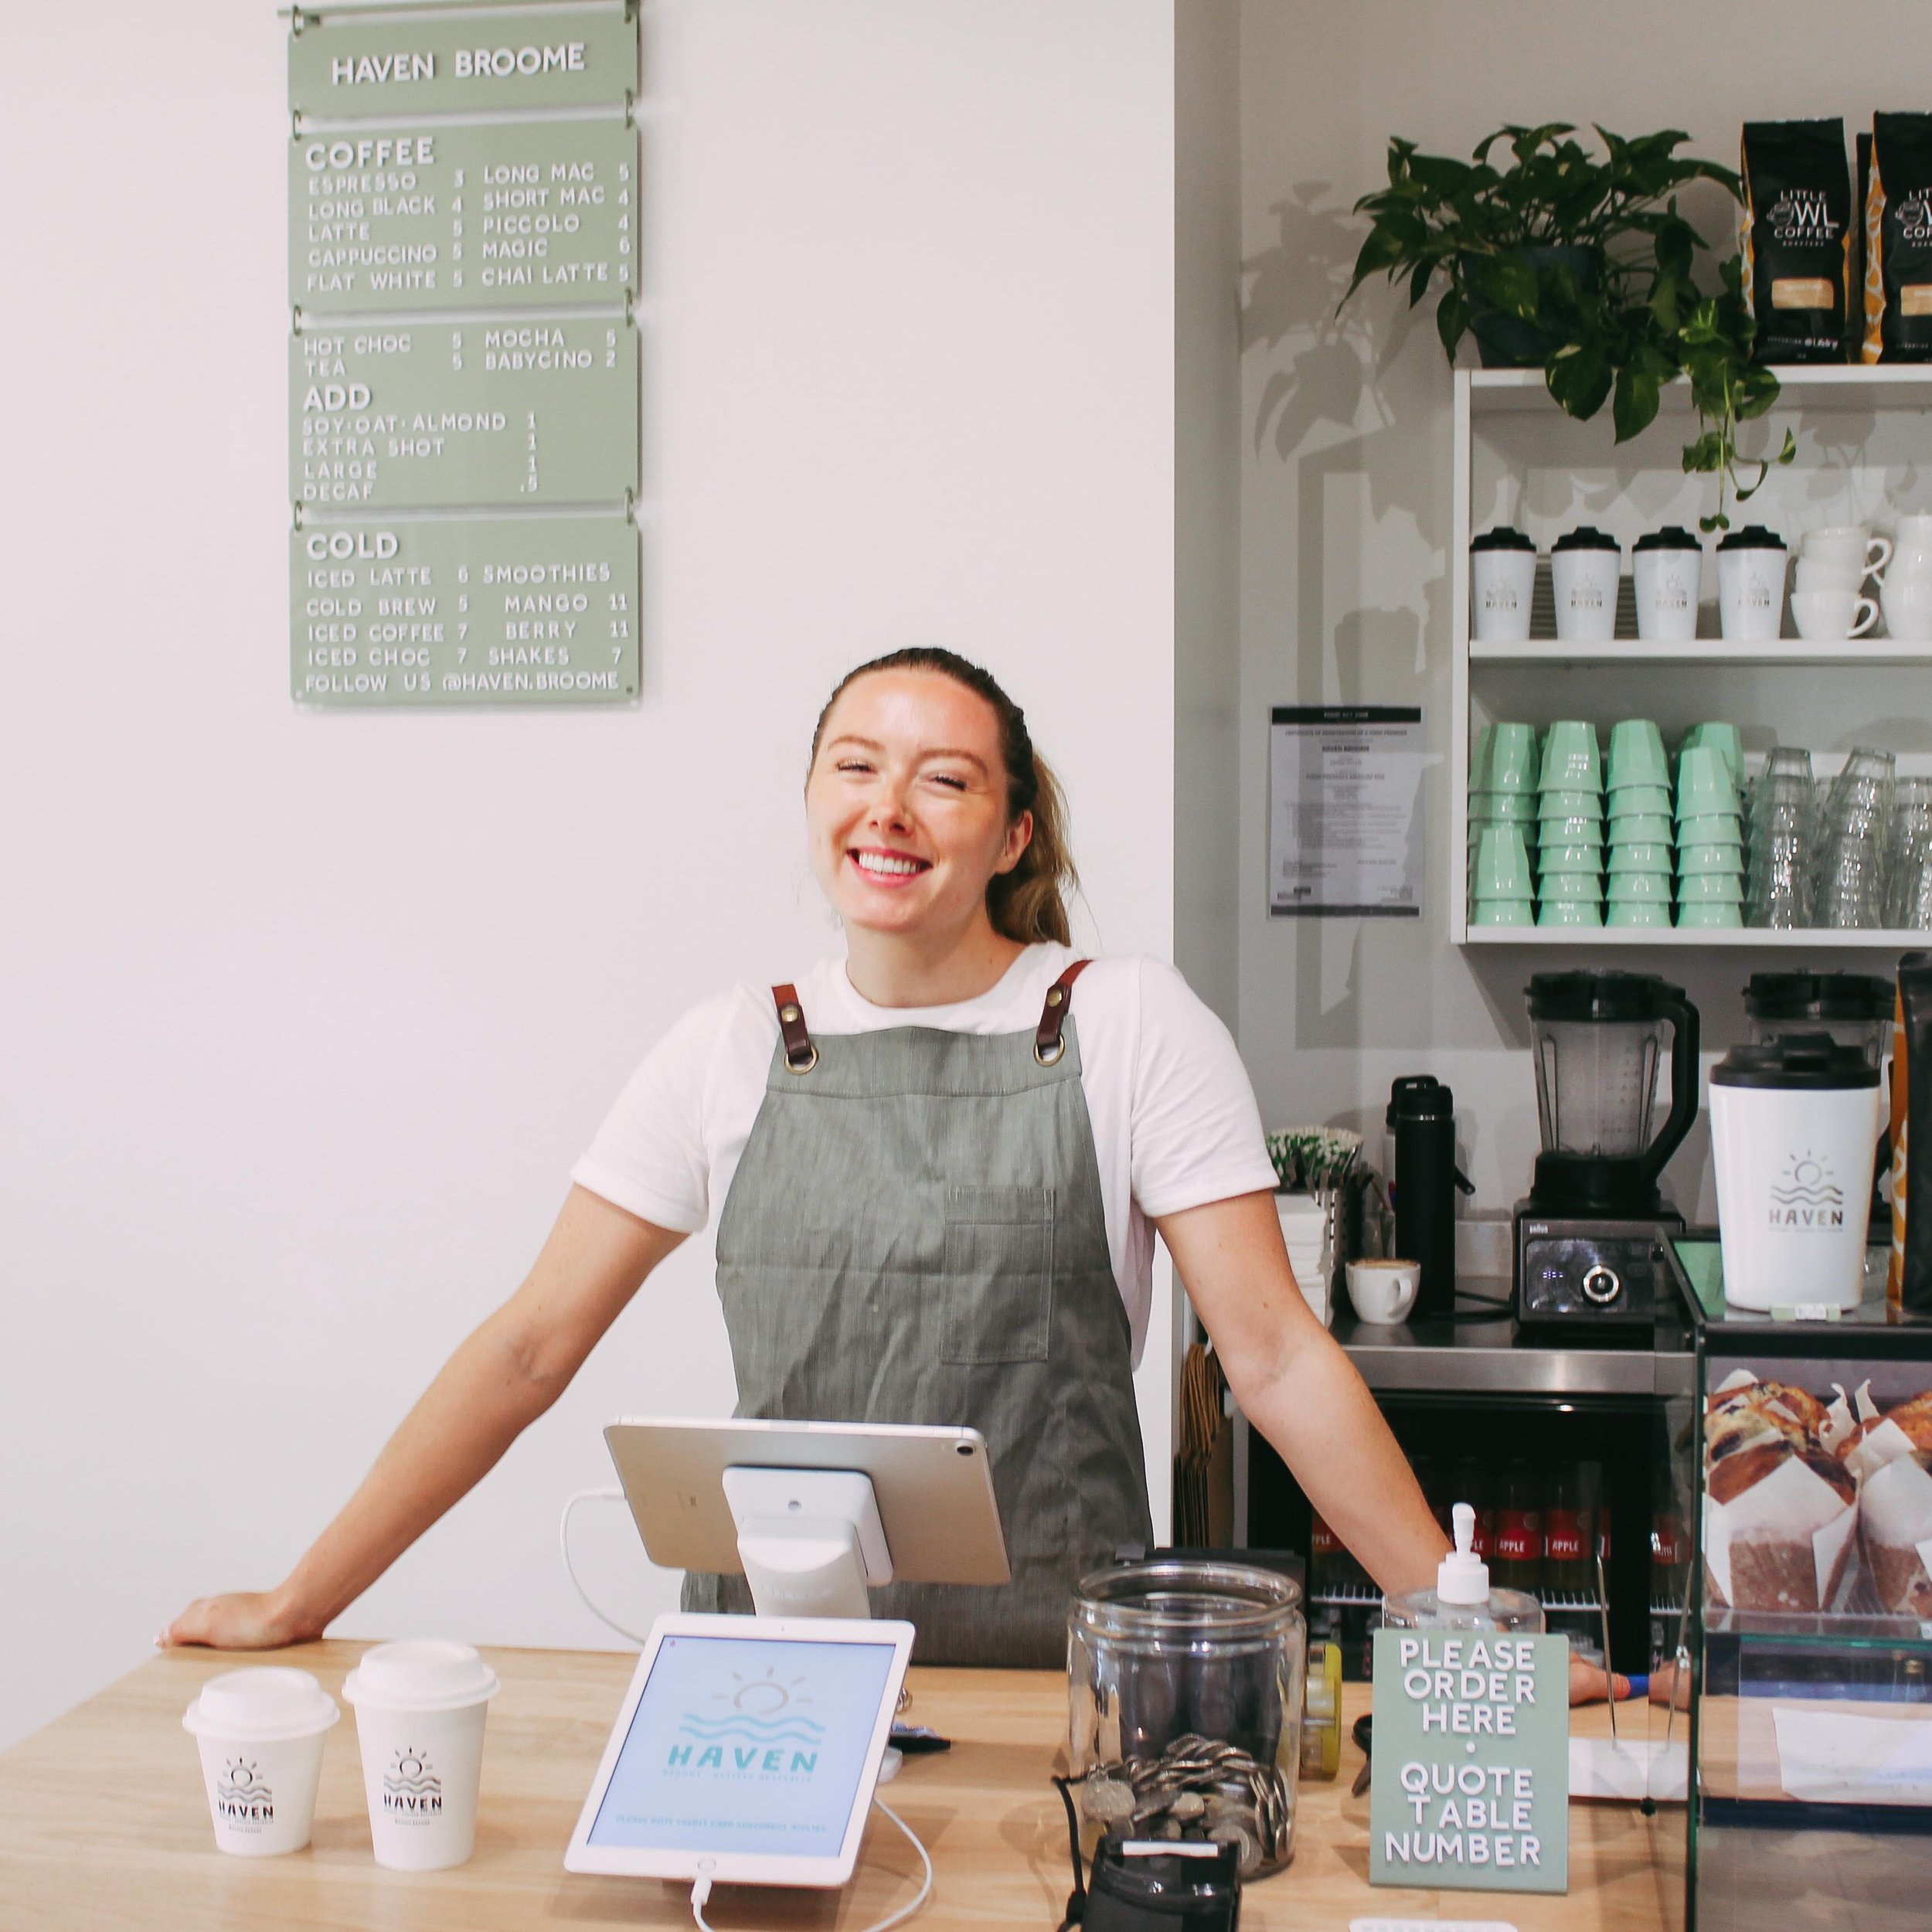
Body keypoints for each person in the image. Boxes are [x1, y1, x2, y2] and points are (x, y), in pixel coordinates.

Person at [165, 648, 1616, 1690]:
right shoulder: (732, 1045)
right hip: (767, 1684)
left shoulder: (1117, 1022)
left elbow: (1278, 1358)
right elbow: (532, 1344)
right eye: (857, 768)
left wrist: (1463, 1627)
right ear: (812, 802)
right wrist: (306, 1597)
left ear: (1013, 831)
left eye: (945, 779)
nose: (891, 810)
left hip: (1050, 1686)